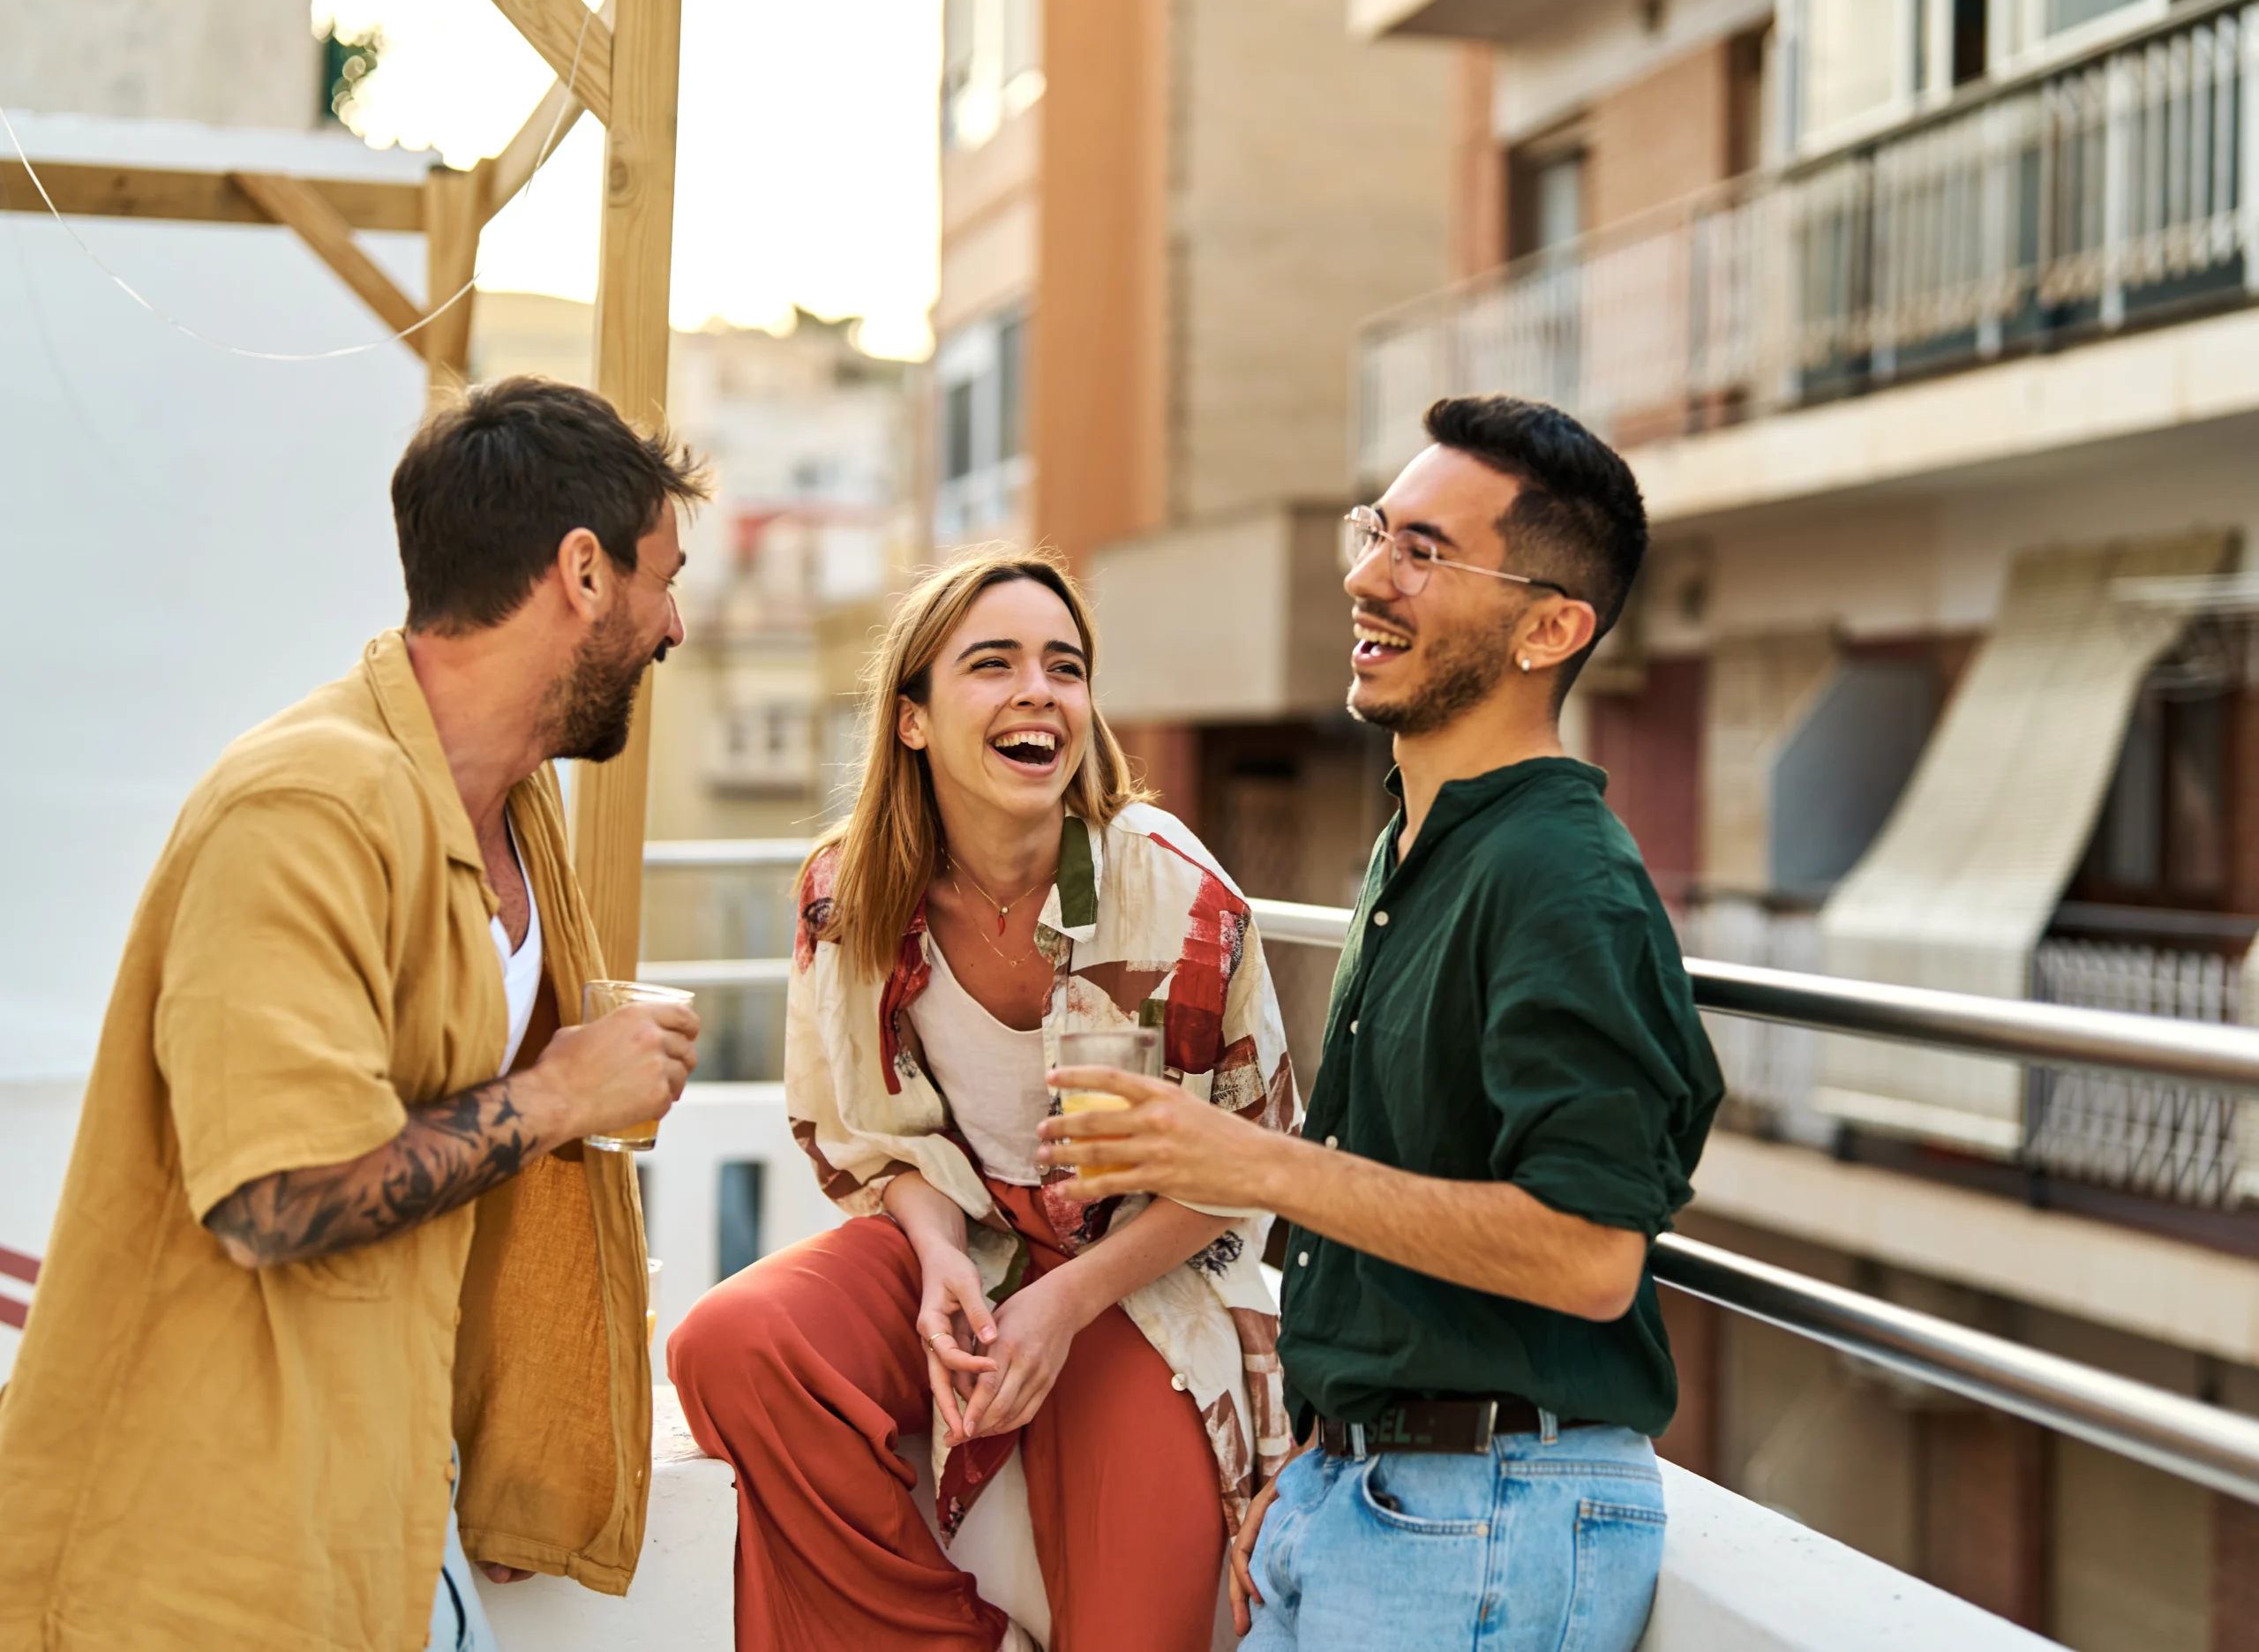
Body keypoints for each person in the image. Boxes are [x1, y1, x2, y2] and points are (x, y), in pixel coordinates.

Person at [0, 376, 709, 1652]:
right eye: (666, 577)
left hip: (388, 1507)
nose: (675, 627)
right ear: (584, 573)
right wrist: (560, 1093)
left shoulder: (511, 814)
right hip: (203, 1555)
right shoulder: (304, 807)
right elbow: (276, 1195)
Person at [1035, 396, 1726, 1652]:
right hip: (1379, 1495)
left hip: (1487, 1513)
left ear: (1550, 628)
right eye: (1377, 532)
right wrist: (1319, 1465)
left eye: (1424, 553)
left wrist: (1247, 1161)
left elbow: (1590, 1253)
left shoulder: (1561, 878)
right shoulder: (1420, 849)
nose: (1366, 575)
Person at [666, 550, 1297, 1652]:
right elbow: (862, 1133)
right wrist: (941, 1251)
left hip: (1134, 1273)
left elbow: (1253, 1159)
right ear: (911, 718)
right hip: (957, 1244)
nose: (1036, 692)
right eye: (991, 663)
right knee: (733, 1342)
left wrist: (1065, 1301)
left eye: (1064, 666)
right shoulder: (847, 890)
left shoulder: (1175, 895)